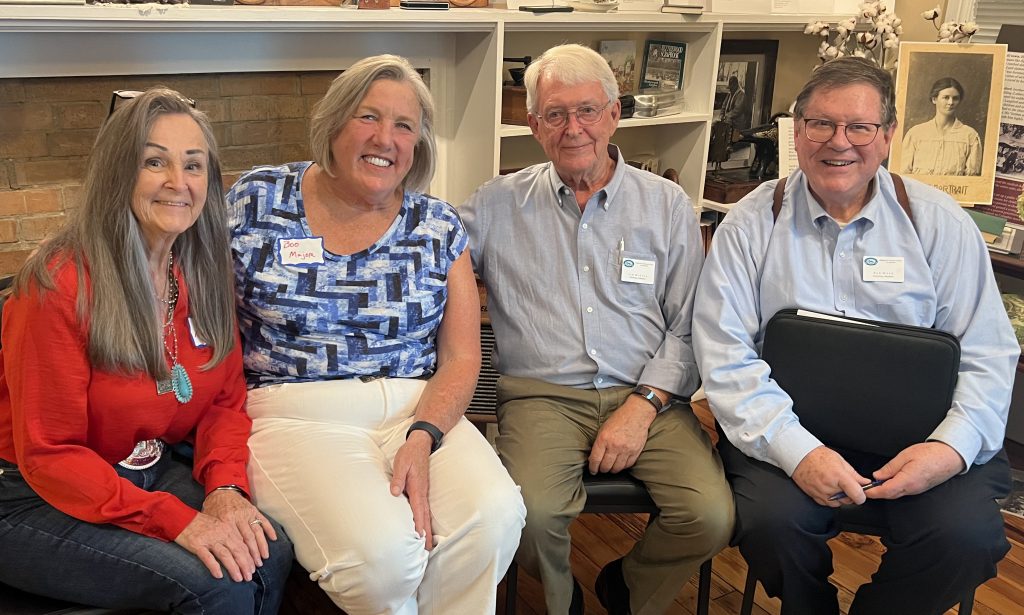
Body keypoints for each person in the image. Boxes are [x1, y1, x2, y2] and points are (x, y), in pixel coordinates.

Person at [693, 56, 1017, 615]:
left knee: (966, 538)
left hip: (923, 436)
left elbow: (987, 352)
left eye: (860, 127)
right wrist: (799, 453)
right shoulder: (751, 223)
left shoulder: (939, 223)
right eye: (821, 124)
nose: (838, 142)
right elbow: (725, 356)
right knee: (770, 523)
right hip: (788, 428)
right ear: (798, 132)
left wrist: (948, 449)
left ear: (888, 136)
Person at [227, 54, 526, 615]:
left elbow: (462, 358)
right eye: (368, 116)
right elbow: (213, 329)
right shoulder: (258, 200)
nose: (385, 138)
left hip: (417, 408)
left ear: (419, 144)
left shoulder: (437, 225)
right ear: (333, 123)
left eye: (404, 125)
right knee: (382, 561)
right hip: (295, 413)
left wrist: (424, 434)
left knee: (494, 517)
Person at [461, 43, 734, 615]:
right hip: (541, 396)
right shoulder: (493, 206)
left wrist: (645, 404)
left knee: (710, 515)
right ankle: (564, 604)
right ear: (533, 125)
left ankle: (626, 589)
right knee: (529, 515)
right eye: (555, 114)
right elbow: (424, 255)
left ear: (613, 114)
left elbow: (688, 323)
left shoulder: (667, 206)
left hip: (650, 396)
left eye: (587, 110)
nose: (573, 128)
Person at [0, 87, 292, 614]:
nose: (178, 182)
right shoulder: (58, 286)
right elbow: (50, 454)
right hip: (30, 492)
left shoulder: (201, 273)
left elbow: (225, 401)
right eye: (154, 161)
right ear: (119, 173)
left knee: (270, 552)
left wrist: (225, 487)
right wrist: (177, 521)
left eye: (193, 165)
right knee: (217, 584)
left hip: (140, 469)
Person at [901, 76, 982, 176]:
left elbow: (972, 179)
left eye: (955, 98)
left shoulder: (970, 136)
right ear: (934, 99)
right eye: (946, 97)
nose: (951, 102)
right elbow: (904, 173)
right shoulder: (915, 134)